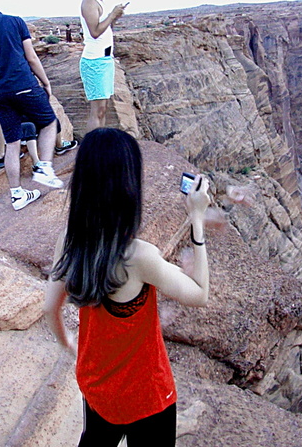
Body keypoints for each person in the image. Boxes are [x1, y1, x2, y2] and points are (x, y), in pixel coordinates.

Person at [42, 128, 211, 445]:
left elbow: (50, 307)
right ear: (128, 186)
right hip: (146, 395)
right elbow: (199, 294)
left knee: (95, 436)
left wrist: (68, 344)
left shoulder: (70, 241)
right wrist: (197, 219)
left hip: (95, 381)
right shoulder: (139, 257)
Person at [0, 0, 65, 209]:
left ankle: (17, 195)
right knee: (48, 123)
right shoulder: (14, 21)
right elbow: (32, 58)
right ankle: (44, 168)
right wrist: (46, 83)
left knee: (12, 144)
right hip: (24, 85)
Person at [80, 0, 127, 133]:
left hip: (104, 60)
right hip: (95, 61)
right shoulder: (89, 1)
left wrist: (114, 18)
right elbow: (94, 32)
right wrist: (112, 15)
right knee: (97, 110)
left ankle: (99, 144)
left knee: (103, 108)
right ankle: (93, 149)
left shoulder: (99, 3)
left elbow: (105, 30)